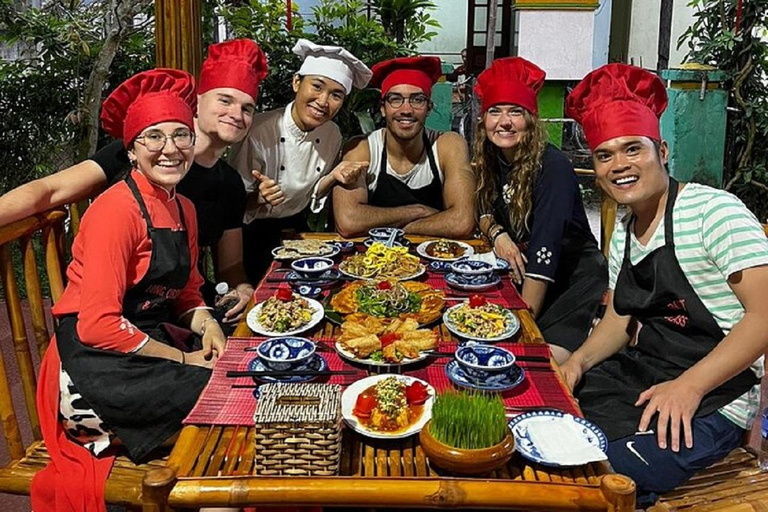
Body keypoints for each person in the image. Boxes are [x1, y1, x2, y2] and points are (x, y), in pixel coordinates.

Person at [560, 63, 768, 503]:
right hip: (643, 373)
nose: (620, 165)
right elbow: (620, 316)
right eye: (605, 155)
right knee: (556, 431)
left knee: (609, 472)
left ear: (663, 151)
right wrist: (577, 362)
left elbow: (764, 316)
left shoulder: (715, 212)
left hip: (717, 394)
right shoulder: (626, 229)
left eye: (632, 149)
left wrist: (690, 386)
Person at [31, 69, 226, 512]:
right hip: (89, 371)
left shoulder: (185, 208)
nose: (170, 149)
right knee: (222, 400)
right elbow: (98, 325)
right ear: (133, 151)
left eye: (181, 134)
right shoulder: (115, 211)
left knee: (229, 379)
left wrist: (208, 323)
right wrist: (184, 357)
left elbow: (188, 292)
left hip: (140, 348)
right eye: (153, 137)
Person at [0, 39, 267, 326]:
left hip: (184, 307)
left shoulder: (230, 185)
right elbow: (50, 191)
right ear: (198, 102)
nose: (236, 115)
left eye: (247, 108)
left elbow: (231, 267)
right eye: (225, 100)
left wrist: (243, 289)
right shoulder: (139, 152)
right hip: (119, 314)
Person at [472, 57, 607, 364]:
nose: (504, 122)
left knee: (527, 361)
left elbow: (544, 254)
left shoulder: (553, 168)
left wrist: (516, 328)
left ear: (531, 120)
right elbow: (481, 207)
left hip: (571, 280)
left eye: (515, 112)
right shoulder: (494, 159)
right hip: (526, 273)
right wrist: (497, 234)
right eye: (495, 111)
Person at [227, 38, 372, 282]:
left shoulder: (331, 134)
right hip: (250, 236)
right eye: (316, 86)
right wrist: (257, 198)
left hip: (298, 230)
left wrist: (333, 177)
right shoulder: (258, 130)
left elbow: (312, 191)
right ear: (297, 82)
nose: (323, 102)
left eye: (336, 95)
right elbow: (230, 206)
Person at [333, 56, 476, 239]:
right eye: (395, 99)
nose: (406, 109)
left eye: (417, 100)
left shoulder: (448, 145)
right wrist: (417, 211)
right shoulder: (362, 148)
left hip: (437, 258)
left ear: (429, 108)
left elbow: (462, 222)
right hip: (372, 261)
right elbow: (348, 222)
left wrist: (392, 228)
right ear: (383, 108)